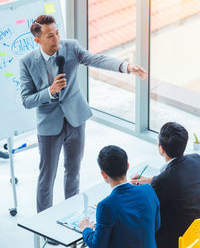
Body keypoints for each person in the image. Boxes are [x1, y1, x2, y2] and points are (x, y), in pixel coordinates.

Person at [19, 15, 147, 215]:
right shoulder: (27, 62)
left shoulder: (70, 47)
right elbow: (26, 100)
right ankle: (43, 223)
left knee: (73, 172)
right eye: (50, 36)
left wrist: (127, 67)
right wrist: (49, 91)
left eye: (57, 33)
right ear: (38, 40)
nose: (57, 39)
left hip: (76, 120)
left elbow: (97, 59)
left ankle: (72, 216)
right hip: (48, 126)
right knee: (47, 176)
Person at [131, 122, 200, 248]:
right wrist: (151, 180)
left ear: (161, 148)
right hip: (195, 235)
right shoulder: (196, 159)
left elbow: (143, 212)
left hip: (173, 240)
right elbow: (180, 180)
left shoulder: (162, 181)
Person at [79, 145, 160, 248]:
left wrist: (86, 229)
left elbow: (97, 245)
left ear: (104, 174)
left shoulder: (106, 206)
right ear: (127, 166)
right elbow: (156, 226)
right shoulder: (148, 190)